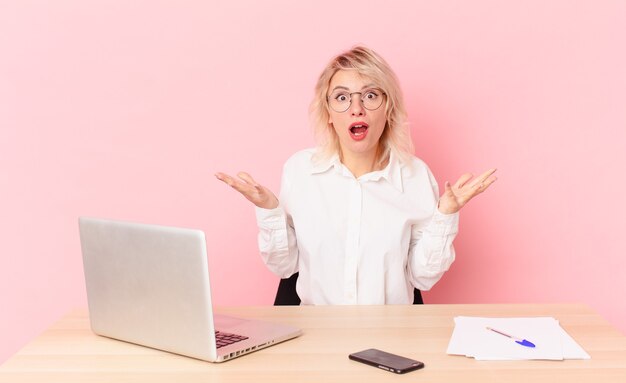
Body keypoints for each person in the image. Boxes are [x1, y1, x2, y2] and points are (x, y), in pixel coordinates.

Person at [215, 46, 496, 305]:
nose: (356, 108)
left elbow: (423, 277)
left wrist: (445, 214)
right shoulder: (300, 171)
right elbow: (285, 266)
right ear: (328, 112)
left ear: (388, 108)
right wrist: (269, 210)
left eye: (371, 95)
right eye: (342, 97)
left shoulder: (414, 175)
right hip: (316, 337)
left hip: (391, 337)